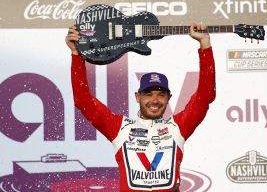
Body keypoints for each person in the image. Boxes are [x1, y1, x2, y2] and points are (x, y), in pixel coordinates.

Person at [65, 23, 216, 192]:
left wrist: (205, 45)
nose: (155, 100)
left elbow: (205, 96)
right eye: (148, 94)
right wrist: (76, 54)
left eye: (161, 94)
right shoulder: (119, 128)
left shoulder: (177, 128)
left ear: (169, 98)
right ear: (138, 97)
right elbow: (83, 100)